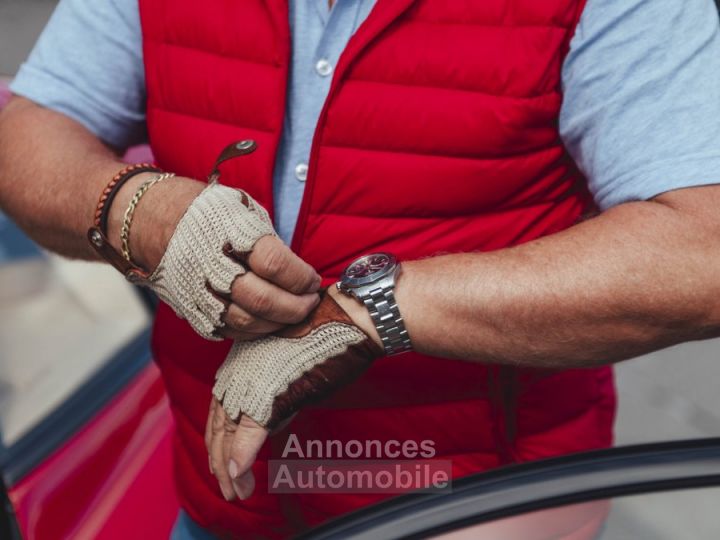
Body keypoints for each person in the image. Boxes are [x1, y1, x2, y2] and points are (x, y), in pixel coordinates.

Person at [1, 0, 720, 538]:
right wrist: (135, 208)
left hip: (477, 510)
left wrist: (363, 311)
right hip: (224, 503)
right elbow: (29, 133)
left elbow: (702, 251)